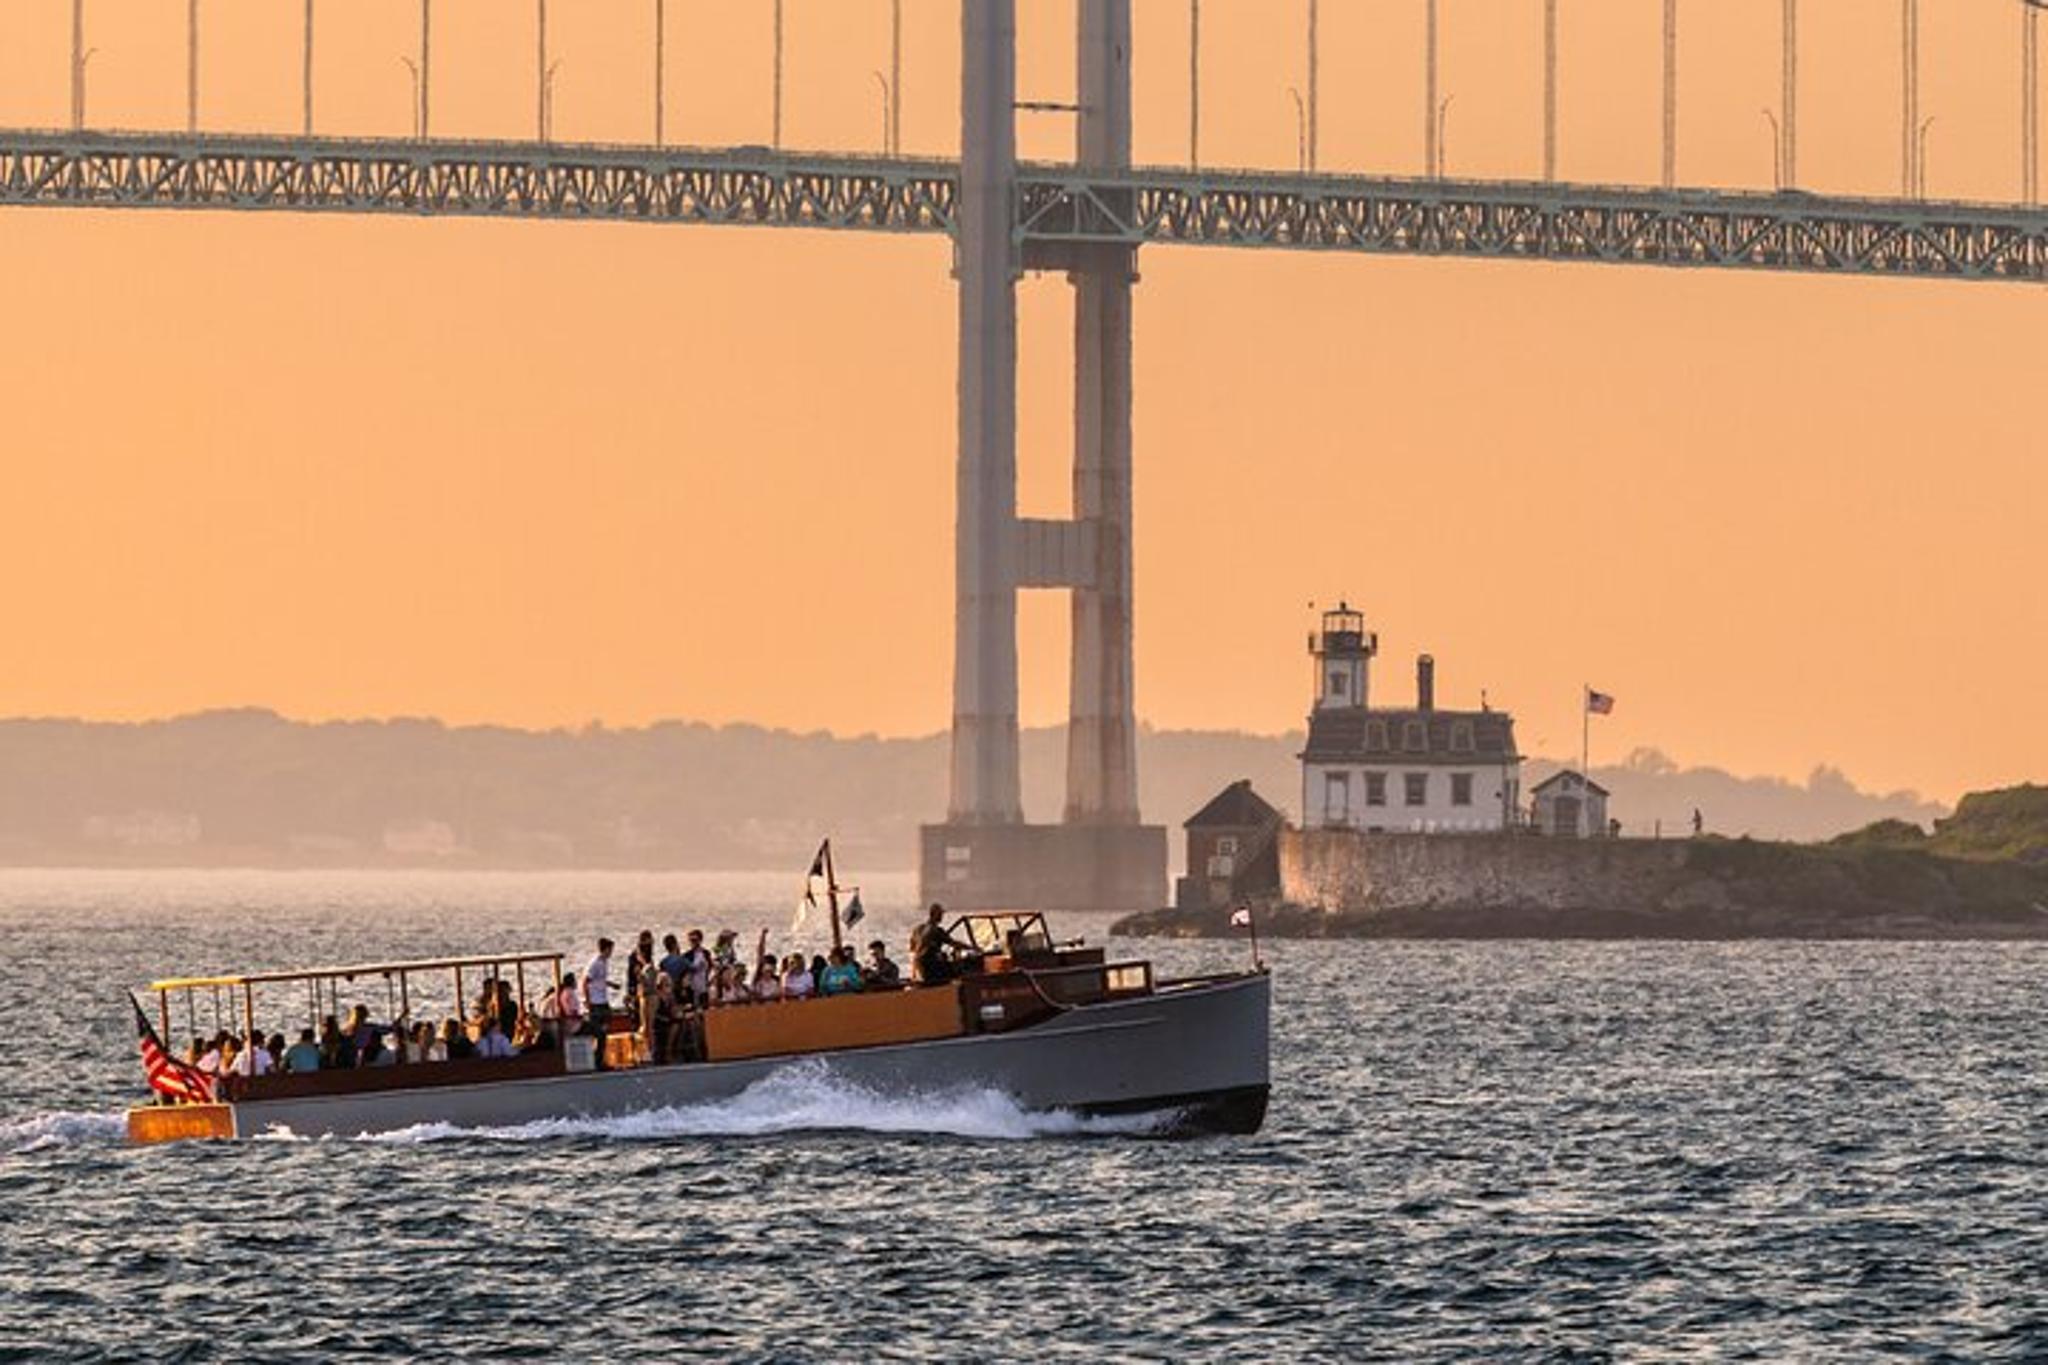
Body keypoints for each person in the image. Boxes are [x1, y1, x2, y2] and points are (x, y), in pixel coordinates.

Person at [912, 903, 971, 986]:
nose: (941, 916)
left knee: (946, 961)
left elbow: (913, 951)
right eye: (940, 914)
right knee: (960, 968)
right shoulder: (937, 931)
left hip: (919, 968)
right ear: (935, 915)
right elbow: (955, 944)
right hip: (930, 970)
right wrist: (973, 948)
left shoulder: (918, 929)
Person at [584, 939, 615, 1037]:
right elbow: (585, 982)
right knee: (597, 1029)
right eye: (610, 950)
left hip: (603, 998)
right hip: (595, 1000)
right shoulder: (595, 963)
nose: (611, 952)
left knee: (606, 1024)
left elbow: (599, 980)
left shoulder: (604, 962)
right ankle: (597, 1050)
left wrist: (611, 984)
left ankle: (600, 1050)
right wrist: (588, 1001)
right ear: (605, 949)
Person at [680, 930, 713, 1010]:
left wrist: (708, 979)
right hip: (692, 988)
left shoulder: (706, 953)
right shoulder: (686, 955)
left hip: (703, 986)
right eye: (691, 940)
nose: (693, 943)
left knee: (705, 1009)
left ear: (700, 940)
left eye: (695, 940)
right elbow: (684, 972)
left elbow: (710, 967)